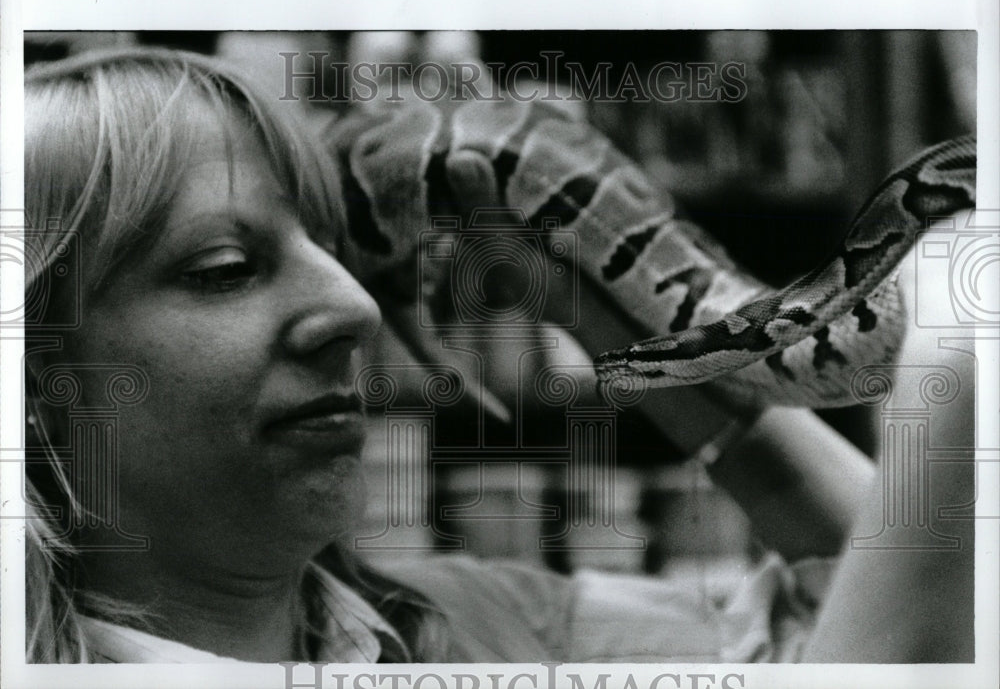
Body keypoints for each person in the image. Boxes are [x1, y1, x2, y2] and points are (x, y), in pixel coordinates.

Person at [21, 46, 974, 664]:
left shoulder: (472, 620)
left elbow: (895, 610)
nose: (354, 306)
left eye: (330, 244)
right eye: (227, 267)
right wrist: (957, 364)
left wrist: (629, 334)